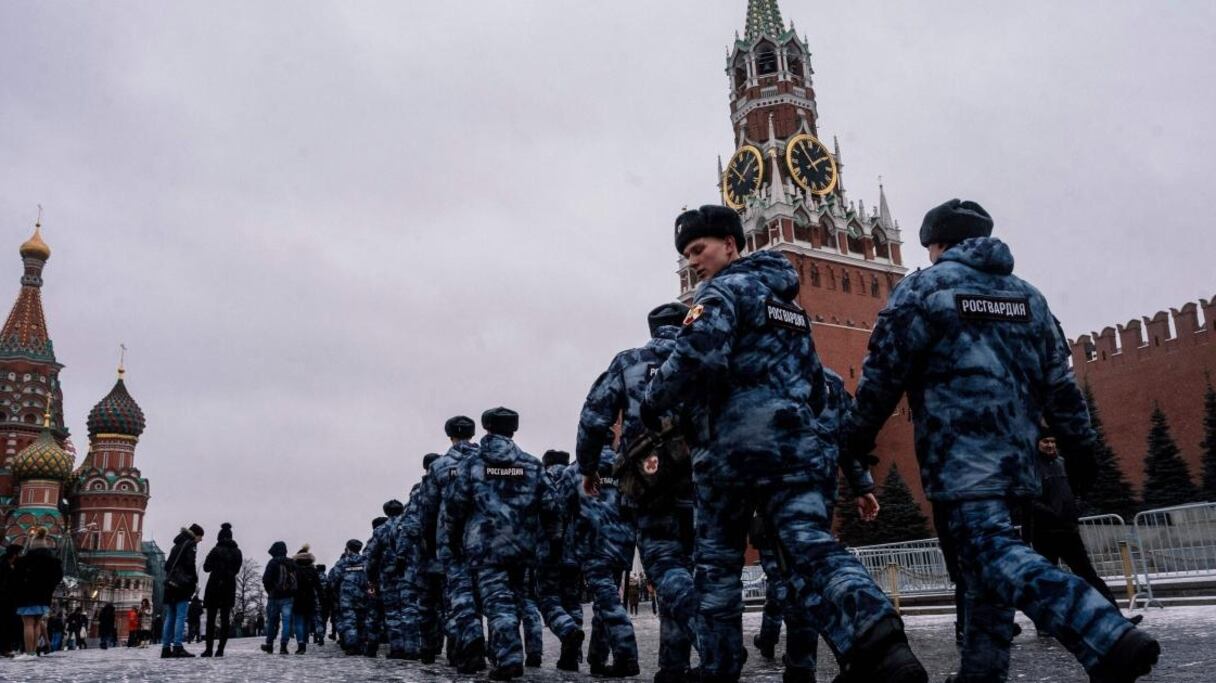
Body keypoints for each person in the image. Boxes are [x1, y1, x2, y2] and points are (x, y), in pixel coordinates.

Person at [841, 199, 1158, 683]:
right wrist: (1080, 446)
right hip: (1019, 460)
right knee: (980, 570)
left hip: (958, 456)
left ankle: (1104, 632)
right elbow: (1061, 383)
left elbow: (883, 375)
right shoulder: (1028, 297)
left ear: (939, 244)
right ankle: (980, 675)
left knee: (989, 551)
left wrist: (857, 438)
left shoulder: (924, 290)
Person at [642, 205, 922, 683]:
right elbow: (816, 385)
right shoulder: (790, 307)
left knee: (716, 566)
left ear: (730, 245)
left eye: (699, 249)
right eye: (687, 255)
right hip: (800, 451)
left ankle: (720, 667)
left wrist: (653, 397)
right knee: (810, 548)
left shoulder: (722, 292)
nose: (693, 262)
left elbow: (694, 358)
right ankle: (882, 645)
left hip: (736, 452)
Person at [577, 301, 696, 682]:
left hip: (650, 482)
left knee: (665, 568)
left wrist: (588, 467)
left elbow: (593, 417)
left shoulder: (630, 362)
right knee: (692, 568)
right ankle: (674, 666)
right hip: (706, 479)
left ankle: (711, 637)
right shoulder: (708, 353)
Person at [445, 407, 552, 681]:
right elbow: (551, 506)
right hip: (521, 546)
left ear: (487, 428)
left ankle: (508, 658)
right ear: (513, 429)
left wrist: (456, 539)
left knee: (497, 601)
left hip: (484, 546)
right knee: (514, 599)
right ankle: (505, 652)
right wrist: (544, 540)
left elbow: (455, 507)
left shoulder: (472, 464)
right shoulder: (531, 464)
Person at [569, 445, 639, 678]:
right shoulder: (628, 464)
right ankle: (597, 658)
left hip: (593, 543)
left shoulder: (579, 469)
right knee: (604, 600)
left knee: (607, 600)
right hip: (622, 542)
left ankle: (626, 654)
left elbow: (559, 505)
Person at [433, 415, 488, 673]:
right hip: (489, 539)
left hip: (453, 541)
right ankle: (503, 652)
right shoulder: (485, 461)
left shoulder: (440, 466)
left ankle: (470, 646)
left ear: (450, 436)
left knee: (461, 598)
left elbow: (428, 509)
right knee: (491, 596)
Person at [535, 449, 585, 672]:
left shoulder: (543, 479)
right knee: (572, 600)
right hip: (576, 552)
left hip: (549, 551)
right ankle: (571, 655)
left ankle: (567, 631)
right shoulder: (577, 476)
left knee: (548, 600)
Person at [366, 498, 411, 658]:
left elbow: (373, 557)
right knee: (410, 610)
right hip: (411, 574)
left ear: (386, 512)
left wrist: (371, 576)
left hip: (389, 575)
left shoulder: (381, 530)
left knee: (392, 613)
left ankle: (397, 648)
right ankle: (412, 647)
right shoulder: (409, 524)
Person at [161, 524, 204, 658]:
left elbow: (167, 565)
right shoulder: (190, 545)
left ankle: (166, 648)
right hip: (182, 586)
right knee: (180, 616)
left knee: (170, 616)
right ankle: (178, 646)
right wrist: (194, 581)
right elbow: (190, 565)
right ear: (195, 535)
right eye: (200, 537)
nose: (201, 540)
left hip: (170, 585)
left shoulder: (176, 545)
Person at [201, 522, 243, 657]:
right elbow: (237, 569)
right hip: (229, 585)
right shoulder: (237, 552)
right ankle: (220, 650)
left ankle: (208, 649)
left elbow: (206, 567)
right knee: (225, 619)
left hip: (214, 585)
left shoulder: (216, 549)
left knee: (211, 620)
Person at [328, 539, 369, 655]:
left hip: (346, 596)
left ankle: (351, 646)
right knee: (361, 620)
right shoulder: (366, 561)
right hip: (362, 595)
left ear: (348, 548)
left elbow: (334, 580)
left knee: (349, 621)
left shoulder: (342, 563)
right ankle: (361, 645)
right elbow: (372, 575)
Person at [261, 541, 296, 654]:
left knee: (272, 621)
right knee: (286, 622)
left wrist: (270, 590)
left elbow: (266, 579)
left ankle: (269, 644)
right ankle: (283, 646)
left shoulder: (272, 562)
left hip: (274, 597)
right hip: (288, 597)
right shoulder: (291, 562)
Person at [291, 544, 323, 654]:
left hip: (297, 598)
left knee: (298, 622)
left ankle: (301, 644)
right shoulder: (313, 570)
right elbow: (318, 587)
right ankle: (305, 640)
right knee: (306, 622)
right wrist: (321, 599)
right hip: (310, 599)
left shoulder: (294, 569)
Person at [0, 544, 21, 656]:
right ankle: (5, 648)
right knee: (6, 624)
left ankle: (5, 648)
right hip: (5, 599)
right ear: (14, 554)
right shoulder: (5, 565)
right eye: (18, 554)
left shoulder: (7, 564)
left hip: (8, 599)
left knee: (7, 624)